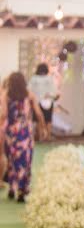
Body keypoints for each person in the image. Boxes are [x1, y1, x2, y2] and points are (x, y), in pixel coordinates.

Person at [1, 72, 46, 202]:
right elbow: (39, 113)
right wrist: (42, 128)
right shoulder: (29, 94)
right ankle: (22, 190)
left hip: (11, 134)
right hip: (26, 133)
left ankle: (12, 188)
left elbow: (4, 114)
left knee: (11, 160)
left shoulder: (6, 95)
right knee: (25, 162)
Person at [27, 63, 57, 140]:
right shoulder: (50, 78)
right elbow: (54, 91)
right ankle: (48, 136)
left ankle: (40, 136)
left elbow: (29, 90)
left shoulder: (34, 78)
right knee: (48, 120)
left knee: (38, 120)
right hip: (49, 101)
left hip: (37, 102)